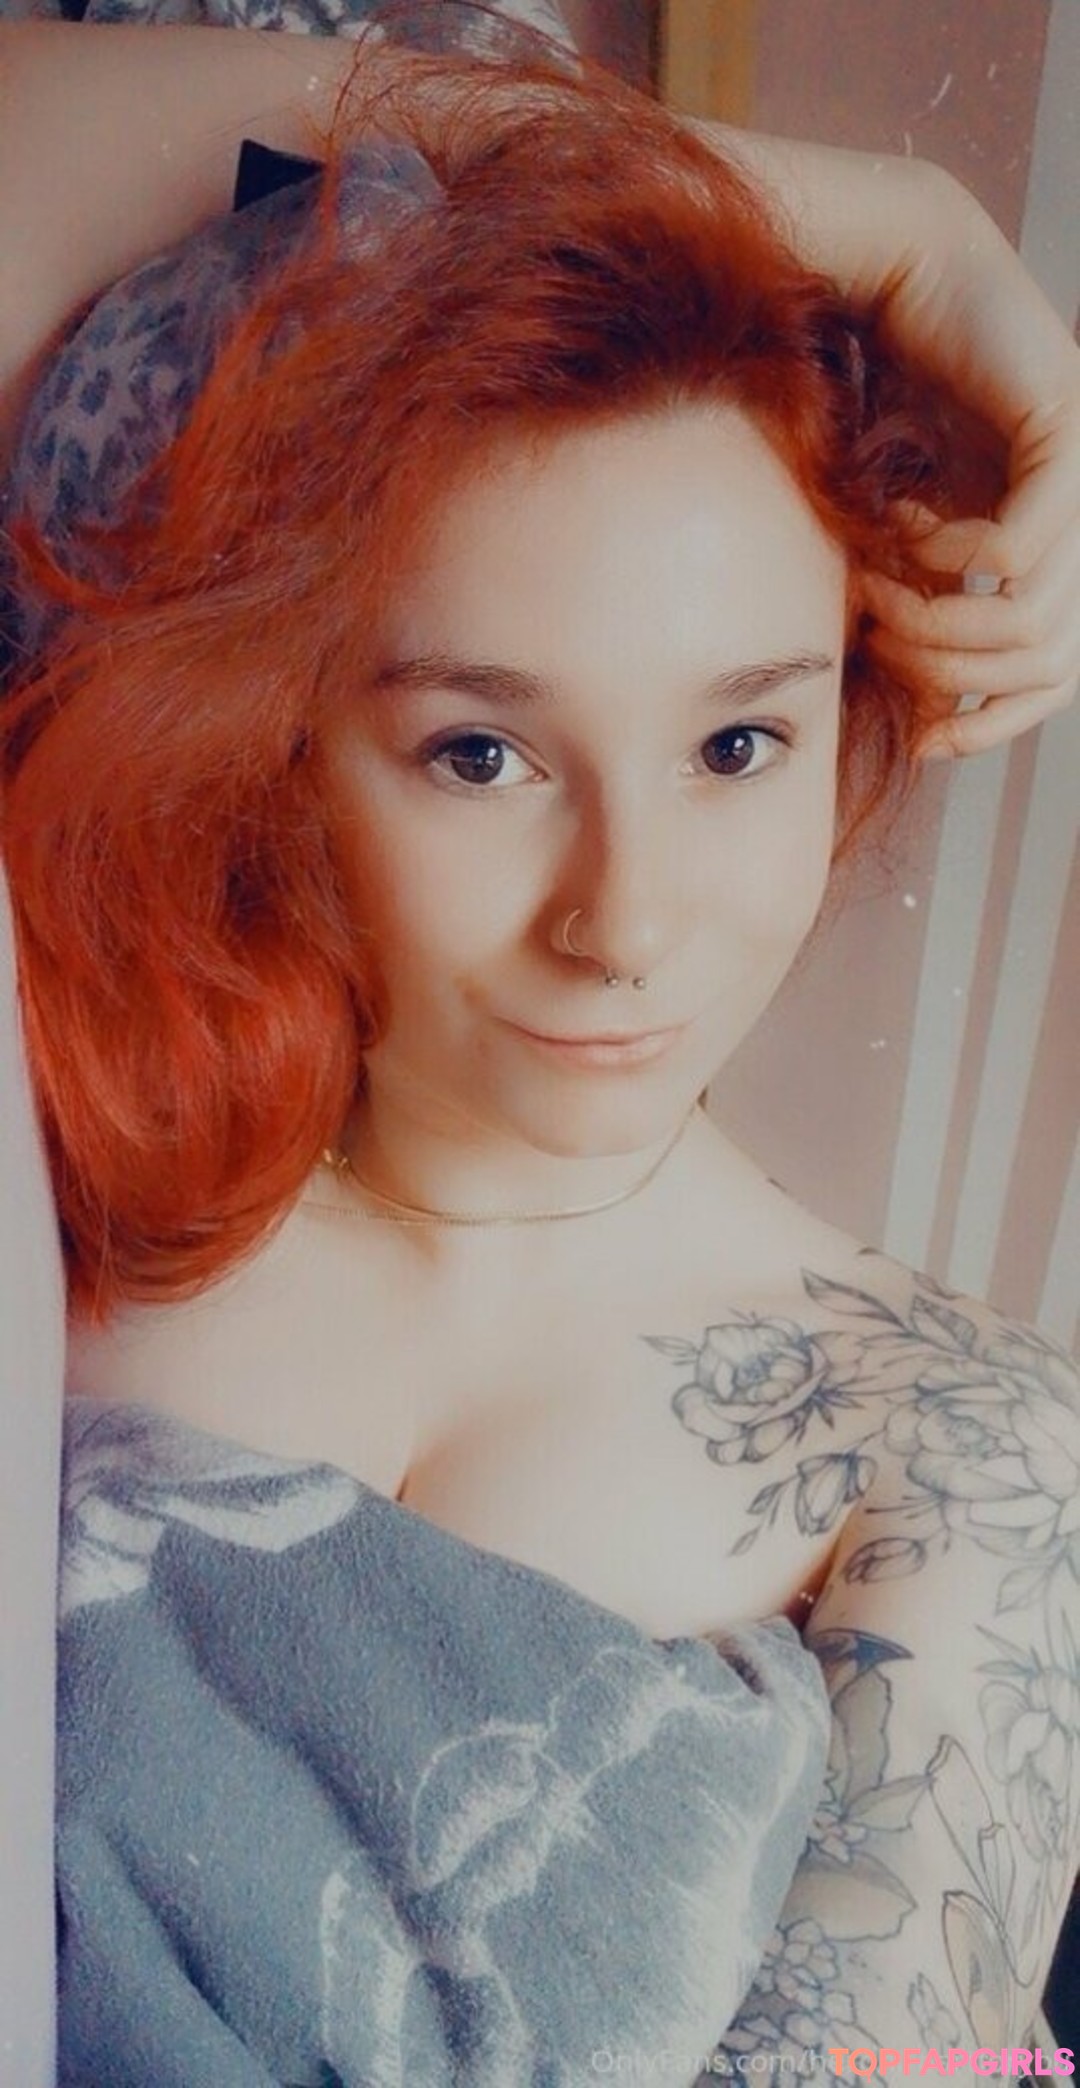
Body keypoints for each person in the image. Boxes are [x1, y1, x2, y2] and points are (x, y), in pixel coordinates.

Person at [0, 10, 1078, 2081]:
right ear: (287, 736)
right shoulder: (69, 1130)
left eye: (737, 744)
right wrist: (894, 224)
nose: (628, 923)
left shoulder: (958, 1449)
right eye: (481, 755)